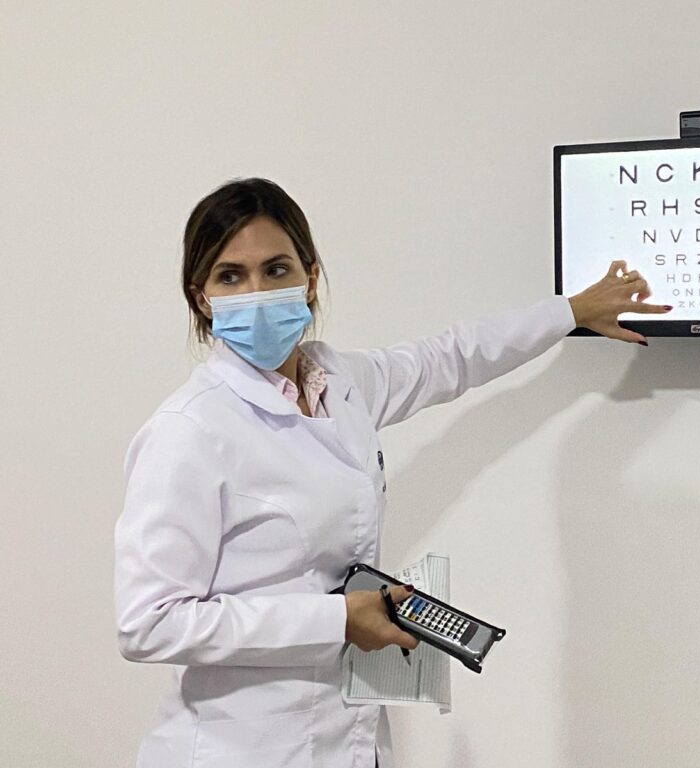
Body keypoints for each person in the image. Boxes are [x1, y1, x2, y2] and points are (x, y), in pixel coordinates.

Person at [113, 177, 668, 768]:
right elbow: (148, 623)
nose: (257, 293)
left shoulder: (340, 383)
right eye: (231, 276)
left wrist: (571, 311)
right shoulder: (189, 430)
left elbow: (451, 357)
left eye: (276, 270)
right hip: (236, 749)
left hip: (346, 734)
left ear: (310, 277)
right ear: (202, 298)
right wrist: (336, 619)